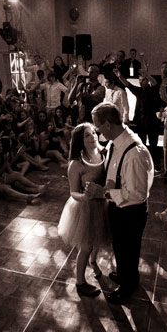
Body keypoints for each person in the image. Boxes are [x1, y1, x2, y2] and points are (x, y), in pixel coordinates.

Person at [87, 102, 154, 303]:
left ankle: (129, 286)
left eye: (97, 126)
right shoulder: (116, 141)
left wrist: (102, 192)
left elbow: (135, 194)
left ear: (108, 124)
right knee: (120, 246)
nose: (97, 131)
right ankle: (126, 275)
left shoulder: (133, 153)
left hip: (131, 211)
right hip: (120, 208)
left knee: (129, 249)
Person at [58, 123, 108, 297]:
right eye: (88, 135)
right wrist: (84, 197)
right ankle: (80, 282)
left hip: (103, 202)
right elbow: (72, 192)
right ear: (80, 140)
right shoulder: (76, 164)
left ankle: (94, 262)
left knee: (99, 237)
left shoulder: (104, 153)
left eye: (94, 133)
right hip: (86, 207)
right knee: (85, 245)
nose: (93, 136)